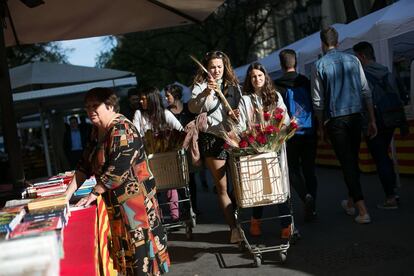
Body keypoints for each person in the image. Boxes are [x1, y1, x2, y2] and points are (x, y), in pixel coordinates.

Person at [65, 87, 170, 275]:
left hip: (135, 205)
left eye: (95, 106)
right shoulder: (96, 132)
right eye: (87, 107)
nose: (90, 111)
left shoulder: (123, 128)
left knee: (142, 259)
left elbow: (118, 170)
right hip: (117, 205)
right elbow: (84, 165)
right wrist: (67, 194)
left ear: (110, 105)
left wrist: (92, 194)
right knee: (126, 257)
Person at [311, 26, 377, 224]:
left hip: (336, 120)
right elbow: (366, 91)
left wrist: (321, 127)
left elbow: (317, 100)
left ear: (322, 44)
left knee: (347, 163)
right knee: (352, 160)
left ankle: (362, 209)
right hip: (356, 115)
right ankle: (350, 202)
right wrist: (372, 119)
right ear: (338, 42)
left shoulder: (319, 65)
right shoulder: (353, 60)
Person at [188, 50, 242, 243]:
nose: (217, 70)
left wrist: (237, 113)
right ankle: (233, 228)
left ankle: (238, 217)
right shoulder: (199, 86)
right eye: (213, 67)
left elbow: (241, 111)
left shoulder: (233, 85)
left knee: (240, 184)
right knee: (222, 187)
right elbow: (193, 107)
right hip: (212, 139)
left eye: (220, 66)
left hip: (234, 138)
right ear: (206, 68)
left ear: (224, 66)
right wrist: (206, 92)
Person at [238, 62, 293, 239]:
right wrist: (252, 129)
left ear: (265, 77)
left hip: (274, 148)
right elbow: (241, 125)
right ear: (250, 79)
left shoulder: (275, 96)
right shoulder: (245, 100)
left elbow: (284, 118)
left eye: (260, 76)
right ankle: (255, 222)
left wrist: (277, 128)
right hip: (255, 148)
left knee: (278, 185)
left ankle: (286, 225)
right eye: (253, 76)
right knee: (258, 186)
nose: (257, 79)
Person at [353, 41, 409, 209]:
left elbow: (364, 101)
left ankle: (390, 197)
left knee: (381, 158)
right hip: (391, 118)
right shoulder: (387, 71)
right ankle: (393, 192)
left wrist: (368, 122)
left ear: (362, 56)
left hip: (375, 121)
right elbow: (399, 96)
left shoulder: (363, 76)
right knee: (385, 155)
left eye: (357, 57)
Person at [274, 49, 318, 222]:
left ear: (281, 64)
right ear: (296, 62)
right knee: (309, 169)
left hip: (289, 133)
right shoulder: (305, 81)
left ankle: (305, 196)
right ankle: (312, 206)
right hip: (308, 131)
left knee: (292, 168)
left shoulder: (277, 85)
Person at [133, 86, 184, 222]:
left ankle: (175, 216)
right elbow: (135, 134)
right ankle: (157, 217)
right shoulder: (139, 114)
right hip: (148, 159)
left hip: (166, 159)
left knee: (170, 185)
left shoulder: (165, 113)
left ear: (151, 99)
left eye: (144, 99)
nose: (141, 102)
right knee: (152, 189)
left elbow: (180, 129)